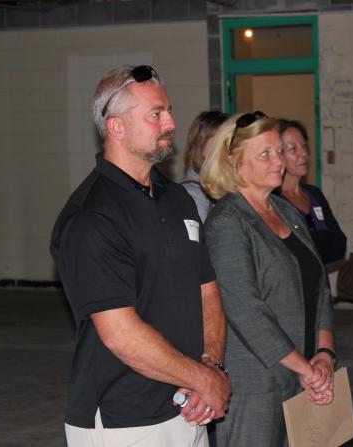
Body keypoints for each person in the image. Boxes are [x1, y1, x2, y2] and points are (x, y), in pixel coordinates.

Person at [50, 64, 231, 447]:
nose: (170, 122)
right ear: (116, 127)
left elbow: (207, 291)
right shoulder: (93, 215)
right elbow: (120, 334)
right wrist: (204, 380)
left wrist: (210, 367)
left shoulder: (177, 198)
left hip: (187, 406)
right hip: (124, 420)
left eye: (168, 110)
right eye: (156, 114)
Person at [201, 111, 336, 446]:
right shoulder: (228, 222)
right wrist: (305, 368)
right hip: (256, 385)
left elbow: (319, 287)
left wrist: (324, 354)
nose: (278, 160)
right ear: (233, 162)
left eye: (279, 151)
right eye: (265, 153)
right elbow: (245, 310)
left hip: (302, 374)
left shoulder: (287, 212)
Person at [276, 119, 347, 265]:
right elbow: (288, 252)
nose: (303, 153)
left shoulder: (314, 194)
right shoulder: (274, 200)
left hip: (320, 284)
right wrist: (323, 237)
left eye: (304, 145)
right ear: (278, 155)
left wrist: (311, 240)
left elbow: (340, 245)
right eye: (293, 149)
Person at [182, 111, 229, 222]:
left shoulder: (222, 186)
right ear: (201, 146)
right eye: (220, 142)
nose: (229, 150)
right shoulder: (192, 195)